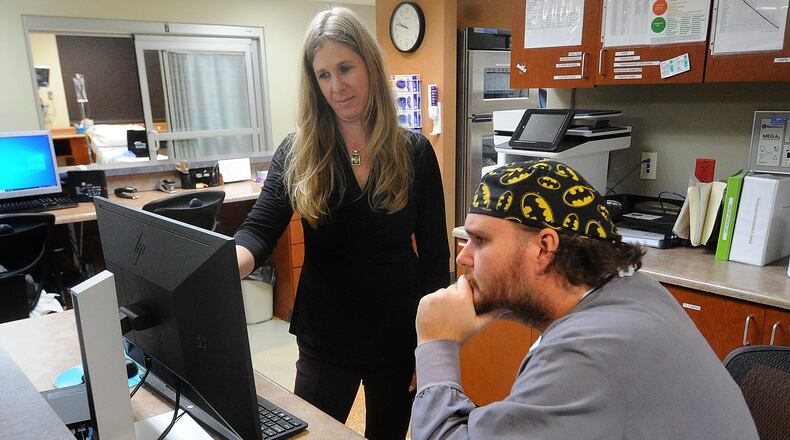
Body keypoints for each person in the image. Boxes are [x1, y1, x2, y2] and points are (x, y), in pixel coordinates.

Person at [412, 160, 759, 440]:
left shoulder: (585, 356)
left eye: (480, 240)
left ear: (545, 248)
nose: (463, 258)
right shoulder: (637, 289)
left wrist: (436, 343)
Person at [234, 7, 449, 439]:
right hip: (325, 336)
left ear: (369, 64)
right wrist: (217, 267)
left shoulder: (414, 151)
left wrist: (433, 347)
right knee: (311, 433)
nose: (337, 86)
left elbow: (434, 257)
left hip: (398, 334)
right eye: (324, 75)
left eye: (345, 68)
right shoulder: (298, 152)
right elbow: (258, 230)